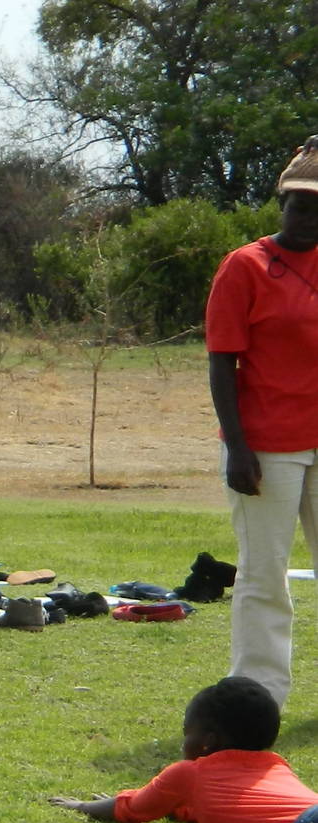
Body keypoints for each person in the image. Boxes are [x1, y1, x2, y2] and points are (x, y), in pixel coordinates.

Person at [208, 139, 318, 710]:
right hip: (267, 445)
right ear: (281, 202)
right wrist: (238, 447)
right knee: (264, 574)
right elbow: (222, 359)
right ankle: (259, 695)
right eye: (298, 204)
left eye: (317, 206)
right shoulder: (245, 265)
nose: (306, 216)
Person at [51, 675, 318, 823]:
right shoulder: (276, 767)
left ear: (207, 743)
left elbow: (131, 809)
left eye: (186, 732)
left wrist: (83, 805)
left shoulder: (191, 772)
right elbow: (212, 810)